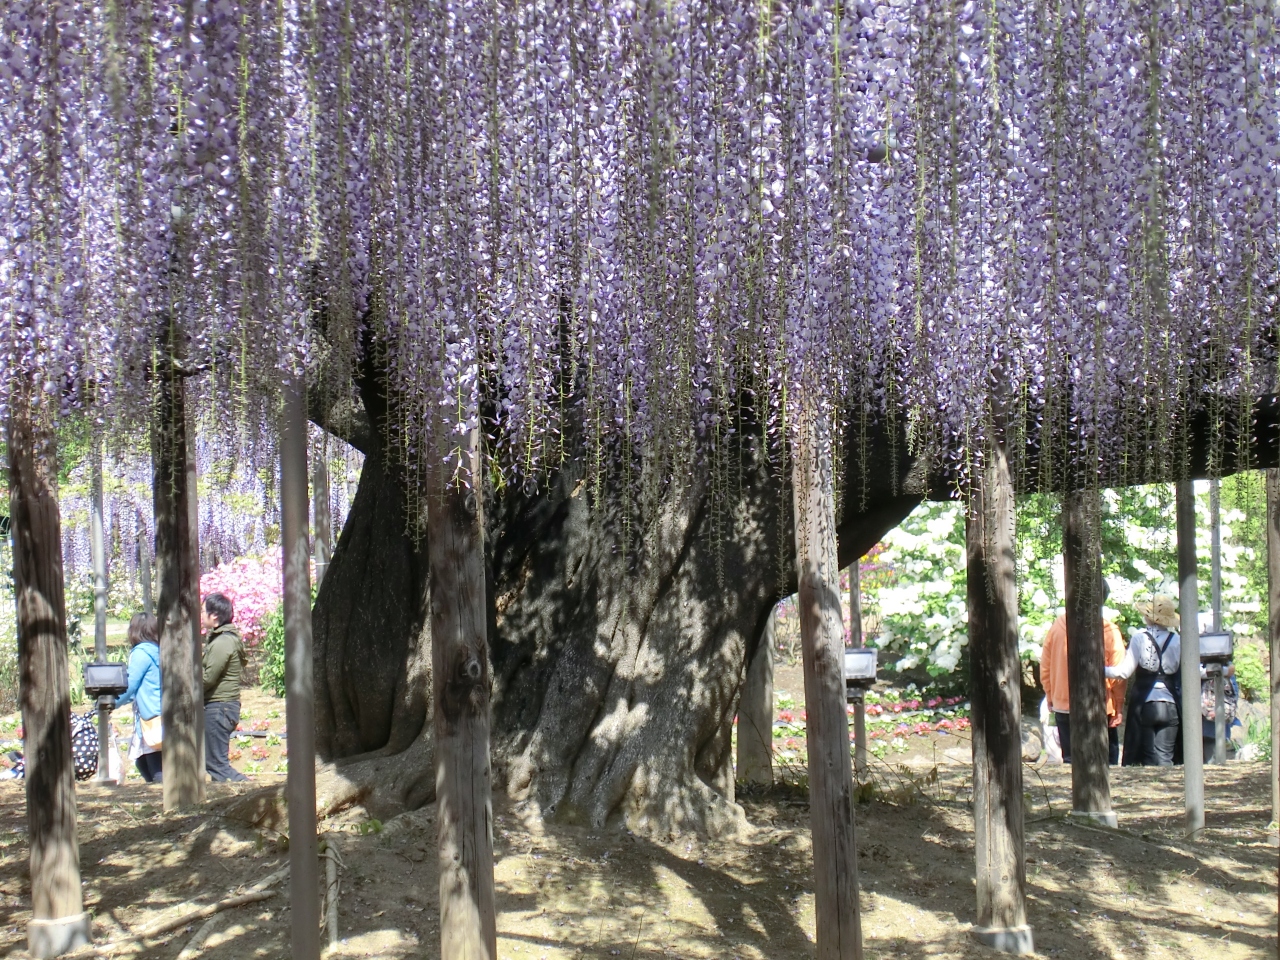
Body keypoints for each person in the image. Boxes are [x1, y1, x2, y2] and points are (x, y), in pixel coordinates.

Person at [1038, 583, 1126, 764]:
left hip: (1063, 702)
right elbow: (1118, 674)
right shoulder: (1110, 632)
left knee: (1071, 760)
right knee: (1105, 760)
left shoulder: (1058, 626)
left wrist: (1050, 694)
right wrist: (1118, 705)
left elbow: (1045, 666)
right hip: (1099, 705)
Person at [1106, 594, 1182, 766]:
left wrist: (1099, 670)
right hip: (1171, 704)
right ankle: (1168, 787)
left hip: (1146, 703)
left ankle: (1154, 788)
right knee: (1165, 756)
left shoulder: (1140, 638)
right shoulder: (1178, 641)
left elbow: (1123, 673)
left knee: (1148, 755)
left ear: (1149, 617)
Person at [202, 592, 249, 782]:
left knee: (216, 765)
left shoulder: (222, 642)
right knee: (214, 763)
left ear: (214, 616)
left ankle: (247, 789)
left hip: (219, 707)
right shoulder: (224, 639)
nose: (201, 615)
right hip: (222, 707)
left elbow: (208, 678)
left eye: (203, 611)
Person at [115, 612, 163, 783]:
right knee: (142, 762)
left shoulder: (141, 653)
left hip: (151, 716)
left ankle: (166, 801)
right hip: (160, 711)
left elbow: (130, 684)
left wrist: (111, 703)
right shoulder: (158, 650)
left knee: (155, 767)